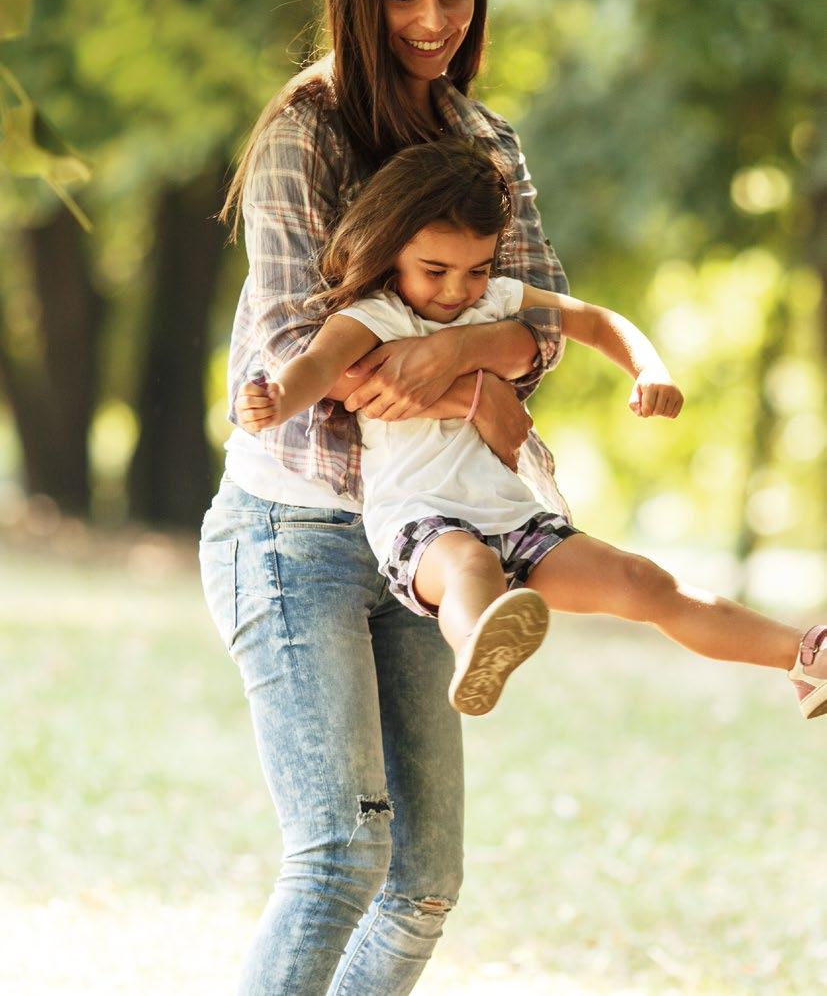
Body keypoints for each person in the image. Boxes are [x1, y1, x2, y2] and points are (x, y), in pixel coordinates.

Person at [199, 0, 572, 995]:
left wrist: (460, 353)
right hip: (294, 532)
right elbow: (302, 362)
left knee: (422, 883)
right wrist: (472, 378)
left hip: (425, 537)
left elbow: (541, 327)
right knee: (340, 855)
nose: (428, 22)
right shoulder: (301, 137)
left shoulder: (483, 139)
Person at [237, 137, 827, 721]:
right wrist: (278, 397)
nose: (456, 291)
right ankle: (478, 651)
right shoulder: (372, 316)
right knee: (473, 568)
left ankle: (803, 656)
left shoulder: (498, 300)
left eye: (477, 269)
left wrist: (649, 368)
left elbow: (593, 321)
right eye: (435, 270)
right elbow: (315, 365)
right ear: (392, 249)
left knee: (642, 580)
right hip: (419, 519)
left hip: (511, 514)